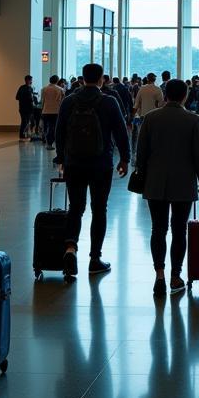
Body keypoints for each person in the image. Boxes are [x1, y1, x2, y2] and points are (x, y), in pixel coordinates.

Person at [134, 78, 199, 296]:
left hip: (155, 182)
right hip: (183, 183)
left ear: (165, 94)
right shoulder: (191, 119)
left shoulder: (150, 118)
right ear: (185, 96)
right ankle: (175, 276)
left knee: (157, 229)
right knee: (179, 230)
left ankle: (159, 274)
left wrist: (143, 175)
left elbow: (140, 153)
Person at [54, 62, 130, 278]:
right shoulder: (109, 101)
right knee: (99, 209)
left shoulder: (69, 101)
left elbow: (59, 132)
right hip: (101, 164)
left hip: (74, 163)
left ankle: (70, 248)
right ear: (101, 79)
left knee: (75, 207)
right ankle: (95, 258)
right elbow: (121, 132)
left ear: (81, 78)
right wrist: (125, 158)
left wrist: (61, 158)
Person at [40, 74, 65, 149]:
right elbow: (62, 101)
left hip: (45, 110)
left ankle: (45, 139)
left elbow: (42, 101)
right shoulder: (60, 89)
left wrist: (42, 109)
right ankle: (50, 143)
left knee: (46, 126)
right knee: (53, 127)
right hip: (55, 111)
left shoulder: (44, 89)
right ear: (57, 81)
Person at [16, 75, 36, 141]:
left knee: (25, 122)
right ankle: (22, 136)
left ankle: (25, 135)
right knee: (25, 122)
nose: (31, 81)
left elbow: (17, 97)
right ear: (27, 80)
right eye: (30, 80)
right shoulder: (29, 89)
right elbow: (30, 99)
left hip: (22, 108)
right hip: (27, 108)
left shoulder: (21, 87)